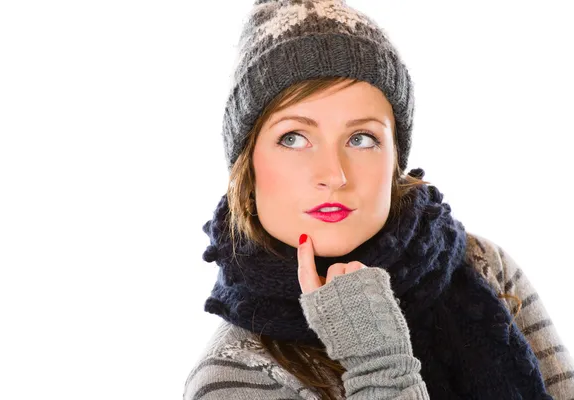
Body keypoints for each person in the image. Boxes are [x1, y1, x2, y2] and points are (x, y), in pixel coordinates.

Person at [183, 1, 574, 399]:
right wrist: (378, 364)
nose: (334, 175)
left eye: (362, 138)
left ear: (395, 161)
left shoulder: (482, 265)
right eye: (294, 138)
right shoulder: (233, 373)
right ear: (247, 168)